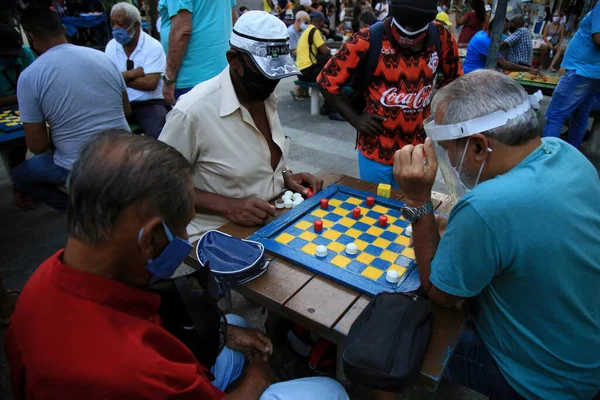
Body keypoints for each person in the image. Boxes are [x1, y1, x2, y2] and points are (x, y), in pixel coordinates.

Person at [5, 131, 349, 400]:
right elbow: (141, 369)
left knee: (231, 323)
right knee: (328, 392)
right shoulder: (136, 370)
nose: (186, 236)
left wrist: (222, 333)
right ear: (151, 237)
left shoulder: (45, 278)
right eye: (183, 226)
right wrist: (259, 376)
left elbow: (144, 321)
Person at [393, 69, 600, 399]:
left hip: (544, 379)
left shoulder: (486, 206)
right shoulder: (565, 153)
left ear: (477, 147)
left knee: (398, 327)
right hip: (586, 355)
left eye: (448, 149)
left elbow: (441, 294)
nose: (449, 160)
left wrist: (419, 199)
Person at [159, 11, 324, 242]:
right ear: (233, 60)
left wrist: (284, 175)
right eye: (262, 75)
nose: (271, 84)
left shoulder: (264, 96)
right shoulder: (192, 112)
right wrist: (228, 206)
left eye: (276, 76)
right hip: (218, 237)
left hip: (272, 223)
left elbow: (255, 160)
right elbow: (160, 187)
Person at [317, 0, 463, 188]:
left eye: (417, 27)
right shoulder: (366, 40)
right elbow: (325, 81)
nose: (409, 34)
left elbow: (456, 83)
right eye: (405, 26)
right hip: (376, 148)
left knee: (409, 206)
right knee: (376, 208)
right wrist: (356, 119)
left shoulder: (442, 37)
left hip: (417, 150)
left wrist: (441, 123)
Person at [12, 5, 130, 213]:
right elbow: (126, 110)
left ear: (30, 36)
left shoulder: (30, 76)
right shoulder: (103, 58)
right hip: (126, 153)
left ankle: (78, 213)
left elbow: (37, 146)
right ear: (64, 29)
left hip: (79, 165)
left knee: (20, 175)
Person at [105, 3, 168, 139]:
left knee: (159, 137)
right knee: (106, 136)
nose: (116, 28)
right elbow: (107, 80)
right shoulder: (111, 46)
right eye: (113, 24)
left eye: (120, 24)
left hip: (149, 104)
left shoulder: (153, 47)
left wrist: (119, 79)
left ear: (136, 25)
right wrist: (134, 73)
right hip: (119, 103)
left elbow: (150, 83)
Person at [544, 3, 600, 149]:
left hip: (582, 69)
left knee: (555, 115)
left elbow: (598, 37)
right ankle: (571, 157)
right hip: (592, 71)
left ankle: (547, 160)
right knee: (580, 117)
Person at [159, 0, 238, 104]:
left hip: (192, 80)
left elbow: (182, 30)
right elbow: (233, 19)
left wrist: (169, 78)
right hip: (224, 74)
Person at [0, 24, 36, 210]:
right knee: (14, 149)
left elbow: (37, 84)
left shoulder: (25, 53)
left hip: (26, 104)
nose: (13, 59)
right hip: (6, 113)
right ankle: (20, 187)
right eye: (7, 55)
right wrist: (21, 95)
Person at [296, 11, 342, 120]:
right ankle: (332, 110)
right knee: (334, 76)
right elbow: (325, 51)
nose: (323, 25)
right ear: (320, 21)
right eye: (322, 22)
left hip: (302, 71)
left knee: (329, 74)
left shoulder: (307, 30)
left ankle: (326, 107)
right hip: (308, 71)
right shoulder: (314, 31)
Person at [462, 18, 539, 74]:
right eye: (503, 32)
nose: (503, 35)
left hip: (479, 72)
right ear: (496, 31)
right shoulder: (484, 40)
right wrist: (528, 69)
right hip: (473, 74)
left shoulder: (482, 33)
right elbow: (503, 64)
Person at [289, 11, 310, 100]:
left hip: (301, 57)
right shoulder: (290, 32)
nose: (307, 25)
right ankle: (298, 89)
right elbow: (294, 52)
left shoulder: (303, 31)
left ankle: (303, 89)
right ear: (298, 21)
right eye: (305, 22)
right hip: (293, 60)